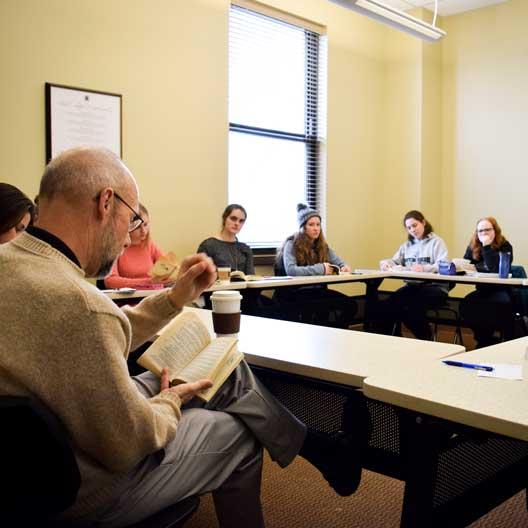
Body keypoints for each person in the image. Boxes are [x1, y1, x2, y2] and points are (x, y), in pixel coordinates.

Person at [0, 147, 365, 528]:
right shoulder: (82, 305)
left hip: (22, 472)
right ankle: (319, 449)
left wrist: (175, 298)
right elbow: (130, 443)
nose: (128, 235)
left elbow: (94, 337)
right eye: (131, 217)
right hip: (80, 488)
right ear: (106, 202)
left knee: (226, 370)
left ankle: (321, 450)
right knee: (237, 433)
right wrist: (170, 401)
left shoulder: (17, 267)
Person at [274, 203, 356, 328]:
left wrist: (344, 267)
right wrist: (321, 268)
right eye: (311, 225)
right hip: (296, 293)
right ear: (303, 227)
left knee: (351, 305)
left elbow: (339, 262)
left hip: (318, 291)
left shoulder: (323, 246)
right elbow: (292, 270)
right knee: (317, 309)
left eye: (318, 225)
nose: (316, 228)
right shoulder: (291, 244)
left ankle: (336, 332)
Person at [377, 210, 449, 340]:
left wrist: (424, 268)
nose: (412, 230)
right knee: (386, 306)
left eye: (415, 225)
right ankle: (394, 338)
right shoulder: (407, 246)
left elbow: (443, 265)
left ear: (423, 222)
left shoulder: (436, 242)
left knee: (411, 308)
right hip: (413, 286)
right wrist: (386, 263)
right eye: (409, 228)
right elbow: (394, 260)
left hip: (435, 287)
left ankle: (426, 340)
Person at [459, 217, 514, 348]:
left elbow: (496, 269)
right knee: (465, 306)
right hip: (482, 290)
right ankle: (485, 340)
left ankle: (488, 340)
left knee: (494, 306)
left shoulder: (505, 246)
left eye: (487, 230)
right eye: (480, 231)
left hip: (500, 290)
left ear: (495, 230)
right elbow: (467, 264)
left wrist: (487, 247)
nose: (483, 233)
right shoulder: (473, 246)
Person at [104, 203, 170, 289]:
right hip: (127, 300)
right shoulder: (115, 247)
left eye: (145, 225)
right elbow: (110, 281)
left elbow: (168, 269)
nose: (144, 231)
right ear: (127, 227)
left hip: (151, 295)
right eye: (138, 227)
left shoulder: (150, 245)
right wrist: (147, 282)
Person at [197, 204, 254, 275]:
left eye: (241, 221)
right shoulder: (208, 245)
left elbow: (250, 278)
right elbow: (201, 278)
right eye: (233, 219)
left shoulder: (245, 249)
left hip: (241, 285)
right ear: (224, 218)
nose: (237, 223)